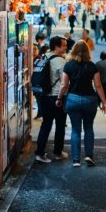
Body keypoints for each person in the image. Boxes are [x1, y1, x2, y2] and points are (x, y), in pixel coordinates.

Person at [57, 41, 106, 167]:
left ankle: (76, 160)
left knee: (75, 130)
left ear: (73, 50)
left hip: (73, 99)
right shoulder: (92, 66)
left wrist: (59, 98)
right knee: (89, 128)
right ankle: (89, 156)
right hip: (89, 100)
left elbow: (64, 85)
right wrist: (104, 102)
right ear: (87, 52)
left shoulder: (68, 66)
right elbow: (98, 86)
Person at [34, 36, 69, 164]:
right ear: (56, 46)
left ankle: (39, 153)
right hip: (56, 97)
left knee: (46, 124)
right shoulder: (61, 61)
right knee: (60, 125)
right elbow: (64, 84)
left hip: (44, 96)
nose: (66, 47)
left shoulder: (44, 56)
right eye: (64, 45)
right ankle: (58, 153)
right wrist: (60, 98)